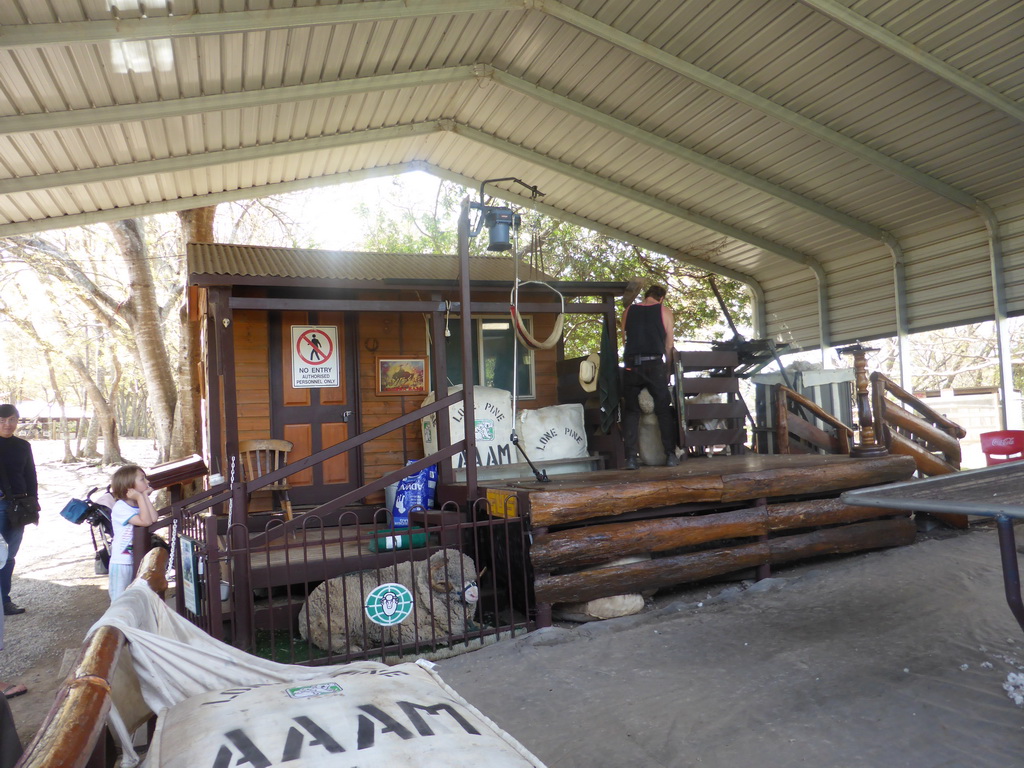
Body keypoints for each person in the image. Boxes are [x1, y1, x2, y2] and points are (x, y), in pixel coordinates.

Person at [620, 285, 679, 469]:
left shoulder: (629, 310)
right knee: (663, 409)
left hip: (632, 364)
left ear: (646, 296)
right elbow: (669, 346)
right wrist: (668, 369)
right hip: (654, 364)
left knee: (631, 410)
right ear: (661, 298)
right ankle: (670, 455)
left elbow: (624, 339)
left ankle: (630, 458)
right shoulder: (665, 312)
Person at [0, 404, 36, 616]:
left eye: (12, 419)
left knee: (9, 557)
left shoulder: (23, 446)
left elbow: (30, 475)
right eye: (3, 420)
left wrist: (34, 503)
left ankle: (4, 601)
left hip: (19, 507)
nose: (7, 424)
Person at [107, 465, 157, 602]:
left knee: (134, 598)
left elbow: (153, 518)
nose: (147, 482)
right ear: (129, 486)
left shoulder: (137, 504)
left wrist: (144, 497)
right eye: (142, 479)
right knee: (119, 599)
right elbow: (146, 521)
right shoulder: (120, 507)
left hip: (135, 558)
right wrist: (141, 498)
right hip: (121, 561)